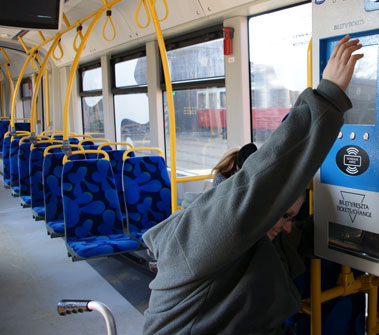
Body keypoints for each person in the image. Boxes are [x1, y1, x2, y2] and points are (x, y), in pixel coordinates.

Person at [142, 35, 363, 334]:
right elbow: (266, 179)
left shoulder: (265, 237)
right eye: (284, 216)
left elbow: (300, 235)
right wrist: (328, 94)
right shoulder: (202, 233)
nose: (288, 226)